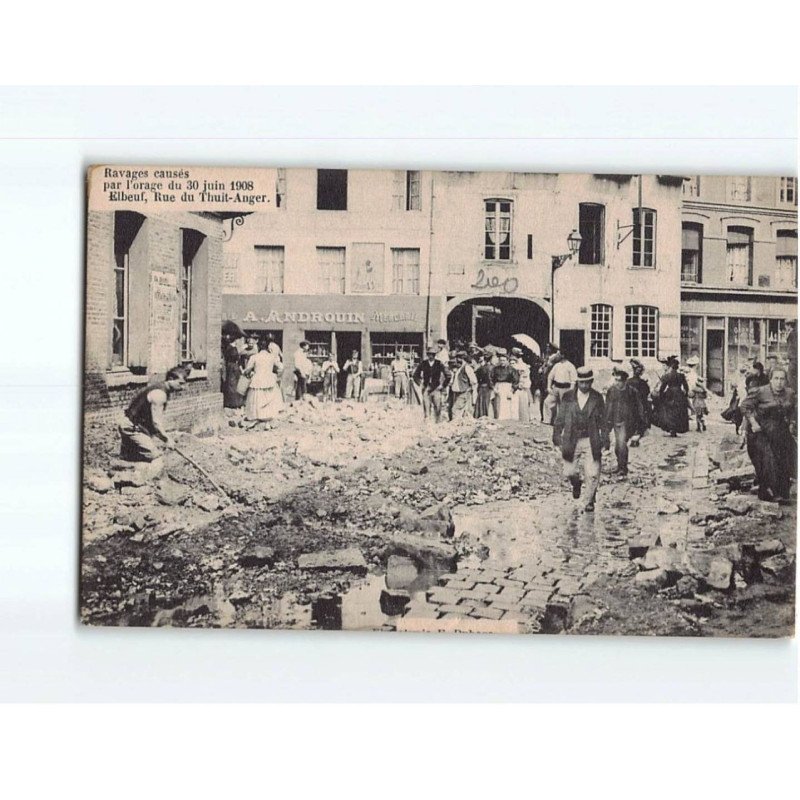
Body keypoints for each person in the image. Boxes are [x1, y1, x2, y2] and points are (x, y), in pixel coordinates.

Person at [553, 367, 609, 513]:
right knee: (569, 472)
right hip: (572, 438)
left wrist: (605, 438)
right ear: (578, 382)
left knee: (592, 473)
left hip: (591, 439)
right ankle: (576, 484)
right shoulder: (568, 397)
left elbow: (603, 420)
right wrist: (557, 435)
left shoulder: (597, 398)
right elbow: (560, 418)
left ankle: (589, 501)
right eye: (582, 383)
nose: (584, 386)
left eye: (587, 383)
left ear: (591, 382)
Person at [118, 364, 191, 476]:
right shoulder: (159, 394)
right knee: (155, 456)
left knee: (131, 459)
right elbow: (156, 422)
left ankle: (123, 475)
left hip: (137, 426)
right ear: (170, 379)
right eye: (180, 383)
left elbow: (151, 422)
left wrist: (163, 437)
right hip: (131, 428)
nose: (182, 387)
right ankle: (152, 484)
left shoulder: (160, 388)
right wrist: (167, 439)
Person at [740, 367, 796, 502]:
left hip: (780, 431)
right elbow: (745, 406)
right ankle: (767, 491)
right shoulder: (760, 392)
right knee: (768, 460)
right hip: (762, 432)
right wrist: (753, 423)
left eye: (782, 379)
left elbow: (793, 409)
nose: (779, 382)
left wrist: (792, 423)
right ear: (770, 379)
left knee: (788, 457)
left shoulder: (789, 393)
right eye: (776, 378)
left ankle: (781, 492)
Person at [604, 368, 645, 476]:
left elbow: (639, 408)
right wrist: (606, 422)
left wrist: (640, 427)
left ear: (625, 381)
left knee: (621, 444)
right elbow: (608, 406)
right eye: (616, 380)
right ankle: (620, 465)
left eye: (619, 380)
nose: (617, 382)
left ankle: (623, 468)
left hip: (627, 422)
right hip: (615, 421)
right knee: (618, 446)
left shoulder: (632, 392)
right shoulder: (611, 391)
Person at [244, 339, 284, 422]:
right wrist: (276, 375)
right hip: (269, 379)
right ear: (268, 347)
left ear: (258, 347)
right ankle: (268, 417)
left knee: (257, 397)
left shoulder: (254, 357)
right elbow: (281, 367)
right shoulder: (272, 357)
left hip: (257, 379)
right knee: (268, 397)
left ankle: (257, 416)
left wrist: (249, 373)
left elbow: (247, 369)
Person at [656, 356, 690, 437]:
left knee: (669, 411)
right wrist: (685, 395)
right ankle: (677, 428)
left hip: (670, 393)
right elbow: (686, 387)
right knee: (678, 411)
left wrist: (661, 396)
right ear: (677, 367)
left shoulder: (667, 376)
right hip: (679, 393)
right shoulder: (681, 376)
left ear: (671, 366)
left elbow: (662, 387)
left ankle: (671, 429)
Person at [544, 349, 577, 425]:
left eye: (558, 354)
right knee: (547, 402)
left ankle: (562, 423)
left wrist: (571, 391)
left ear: (563, 355)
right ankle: (547, 420)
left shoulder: (570, 366)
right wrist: (549, 387)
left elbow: (573, 381)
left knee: (563, 406)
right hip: (556, 387)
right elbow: (550, 377)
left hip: (565, 388)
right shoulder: (556, 365)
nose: (557, 356)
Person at [413, 347, 445, 422]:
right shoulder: (423, 363)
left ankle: (438, 424)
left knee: (437, 407)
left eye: (432, 354)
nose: (431, 356)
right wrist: (420, 383)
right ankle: (427, 424)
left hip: (436, 388)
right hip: (426, 388)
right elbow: (415, 375)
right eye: (429, 354)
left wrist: (442, 385)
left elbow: (448, 375)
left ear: (435, 355)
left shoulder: (439, 363)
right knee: (426, 407)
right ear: (427, 355)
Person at [626, 359, 651, 446]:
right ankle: (636, 437)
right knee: (640, 420)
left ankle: (633, 437)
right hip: (641, 405)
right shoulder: (643, 383)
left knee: (631, 421)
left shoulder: (628, 382)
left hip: (631, 405)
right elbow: (647, 393)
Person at [491, 350, 519, 420]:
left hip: (507, 387)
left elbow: (516, 380)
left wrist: (512, 390)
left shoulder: (512, 369)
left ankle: (507, 418)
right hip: (498, 386)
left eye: (504, 360)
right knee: (498, 402)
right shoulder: (495, 369)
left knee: (507, 402)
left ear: (507, 361)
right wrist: (494, 387)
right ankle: (498, 417)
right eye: (501, 360)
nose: (502, 362)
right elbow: (491, 378)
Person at [449, 351, 478, 419]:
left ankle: (456, 425)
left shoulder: (467, 368)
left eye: (459, 358)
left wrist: (469, 389)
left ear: (463, 359)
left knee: (455, 410)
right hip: (458, 392)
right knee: (461, 411)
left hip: (464, 392)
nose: (457, 360)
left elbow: (474, 381)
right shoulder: (459, 368)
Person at [510, 347, 533, 423]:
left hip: (521, 386)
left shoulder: (522, 365)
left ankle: (523, 419)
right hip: (516, 385)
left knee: (522, 403)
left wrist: (521, 384)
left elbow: (524, 376)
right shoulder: (516, 364)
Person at [222, 333, 245, 409]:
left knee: (236, 384)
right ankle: (232, 403)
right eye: (238, 339)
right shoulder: (230, 347)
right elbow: (232, 356)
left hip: (235, 367)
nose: (239, 341)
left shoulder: (234, 347)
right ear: (235, 340)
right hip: (232, 367)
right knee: (232, 384)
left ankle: (236, 402)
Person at [474, 351, 495, 418]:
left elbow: (477, 377)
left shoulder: (481, 368)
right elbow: (489, 379)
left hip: (481, 386)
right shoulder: (491, 368)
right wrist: (492, 387)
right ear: (491, 358)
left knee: (481, 402)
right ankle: (486, 416)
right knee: (487, 402)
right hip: (487, 387)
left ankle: (480, 415)